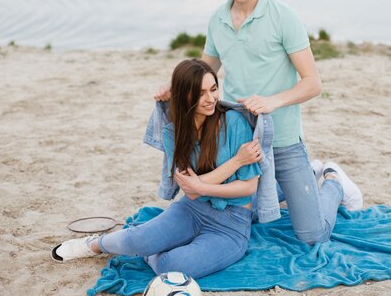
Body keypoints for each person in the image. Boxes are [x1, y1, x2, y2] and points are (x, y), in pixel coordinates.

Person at [155, 0, 363, 245]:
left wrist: (272, 101)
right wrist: (175, 88)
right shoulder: (217, 20)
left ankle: (330, 177)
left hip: (282, 137)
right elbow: (205, 70)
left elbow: (313, 83)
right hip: (237, 139)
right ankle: (292, 184)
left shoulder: (284, 17)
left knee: (313, 235)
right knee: (237, 213)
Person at [52, 59, 263, 279]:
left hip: (231, 224)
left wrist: (201, 185)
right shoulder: (172, 134)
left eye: (213, 89)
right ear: (184, 96)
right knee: (139, 240)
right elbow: (191, 192)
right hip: (192, 209)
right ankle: (94, 245)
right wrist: (236, 162)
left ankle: (146, 251)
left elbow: (248, 187)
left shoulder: (234, 121)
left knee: (170, 267)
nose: (210, 99)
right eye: (200, 93)